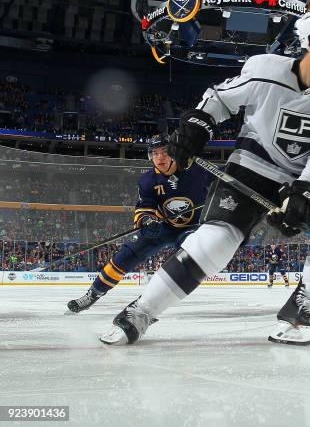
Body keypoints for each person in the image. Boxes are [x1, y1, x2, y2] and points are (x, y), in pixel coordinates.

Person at [100, 8, 310, 346]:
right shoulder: (265, 69)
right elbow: (219, 99)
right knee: (214, 242)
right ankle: (139, 313)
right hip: (249, 173)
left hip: (299, 182)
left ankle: (303, 308)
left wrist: (305, 193)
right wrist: (196, 128)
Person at [66, 134, 212, 313]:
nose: (160, 157)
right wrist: (146, 220)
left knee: (192, 254)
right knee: (125, 255)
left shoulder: (196, 170)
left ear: (173, 152)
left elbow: (222, 183)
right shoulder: (148, 180)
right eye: (155, 153)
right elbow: (145, 207)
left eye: (165, 152)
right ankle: (93, 294)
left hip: (192, 228)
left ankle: (152, 302)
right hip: (162, 227)